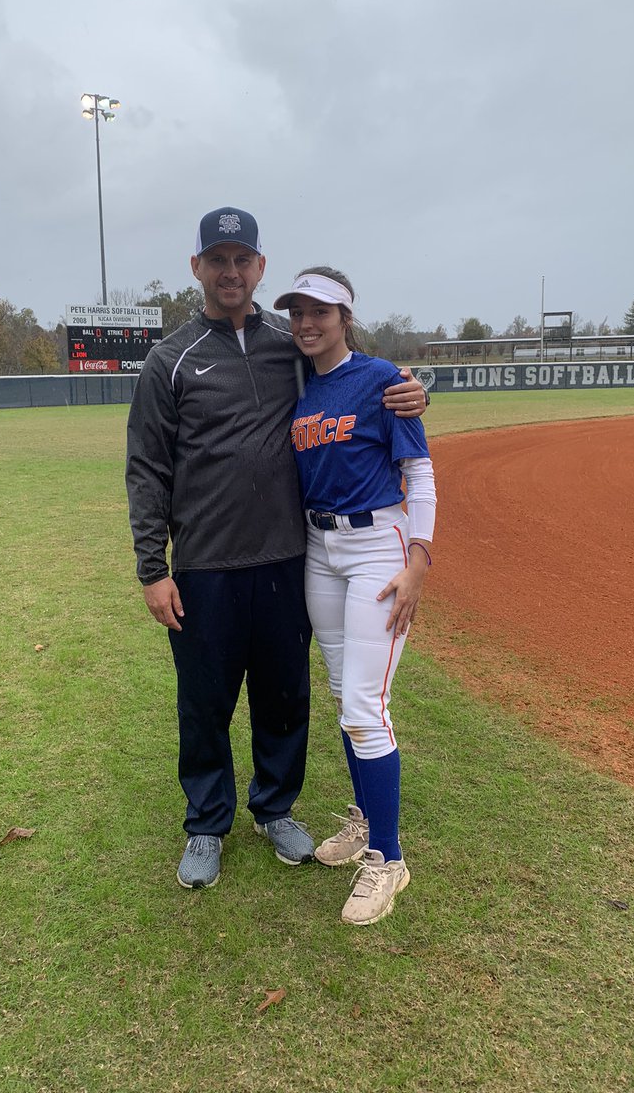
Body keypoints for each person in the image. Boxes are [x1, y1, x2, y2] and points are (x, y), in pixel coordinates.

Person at [125, 208, 429, 891]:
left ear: (259, 267)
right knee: (204, 703)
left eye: (243, 259)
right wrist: (153, 569)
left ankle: (274, 807)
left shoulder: (287, 343)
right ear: (197, 267)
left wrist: (408, 389)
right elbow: (147, 468)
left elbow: (354, 373)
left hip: (290, 558)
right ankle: (206, 823)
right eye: (217, 260)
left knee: (284, 697)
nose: (230, 272)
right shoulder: (170, 359)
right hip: (203, 564)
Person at [273, 265, 436, 926]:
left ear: (346, 317)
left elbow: (418, 472)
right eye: (299, 312)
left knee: (368, 707)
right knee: (346, 699)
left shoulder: (382, 380)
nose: (308, 322)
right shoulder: (300, 386)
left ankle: (389, 860)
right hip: (321, 549)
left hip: (377, 545)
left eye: (322, 311)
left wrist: (420, 561)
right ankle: (370, 824)